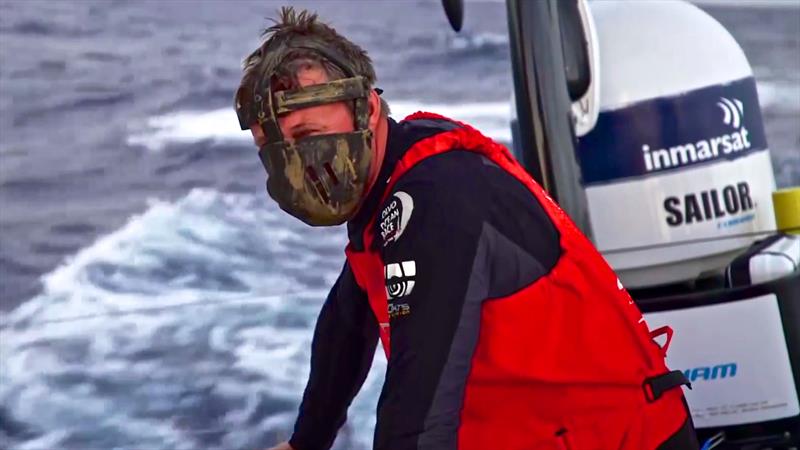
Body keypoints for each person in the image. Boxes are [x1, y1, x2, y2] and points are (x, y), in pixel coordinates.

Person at [235, 7, 700, 450]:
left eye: (308, 137)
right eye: (274, 151)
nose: (297, 167)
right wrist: (306, 440)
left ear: (366, 110)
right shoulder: (386, 188)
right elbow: (348, 322)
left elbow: (419, 410)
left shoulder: (439, 198)